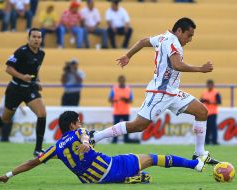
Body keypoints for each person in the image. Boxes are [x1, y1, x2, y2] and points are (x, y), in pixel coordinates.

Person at [90, 17, 219, 165]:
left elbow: (144, 41)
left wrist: (128, 55)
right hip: (159, 93)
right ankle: (97, 136)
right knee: (138, 125)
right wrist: (201, 69)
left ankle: (200, 154)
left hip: (172, 92)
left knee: (202, 111)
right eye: (189, 35)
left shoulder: (164, 37)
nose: (190, 40)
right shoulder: (173, 42)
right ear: (179, 31)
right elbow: (177, 65)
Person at [0, 111, 209, 184]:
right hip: (109, 168)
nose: (80, 124)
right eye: (78, 121)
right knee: (152, 158)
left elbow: (33, 162)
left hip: (90, 179)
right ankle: (195, 165)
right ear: (73, 124)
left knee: (130, 162)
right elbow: (85, 137)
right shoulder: (79, 132)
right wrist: (86, 144)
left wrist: (8, 174)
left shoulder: (56, 147)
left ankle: (130, 178)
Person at [0, 28, 46, 156]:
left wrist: (38, 81)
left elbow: (36, 69)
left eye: (39, 37)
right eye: (34, 37)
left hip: (30, 89)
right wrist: (23, 77)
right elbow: (8, 68)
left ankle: (38, 149)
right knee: (5, 118)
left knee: (42, 113)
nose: (36, 39)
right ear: (28, 38)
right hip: (15, 89)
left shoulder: (41, 53)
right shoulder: (21, 51)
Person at [109, 75, 139, 144]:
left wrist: (125, 99)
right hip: (117, 111)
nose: (122, 82)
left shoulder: (128, 89)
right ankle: (115, 140)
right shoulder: (114, 89)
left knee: (126, 127)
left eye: (123, 80)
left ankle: (126, 139)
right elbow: (110, 99)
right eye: (121, 80)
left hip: (125, 111)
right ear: (119, 81)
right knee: (115, 127)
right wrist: (115, 100)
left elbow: (131, 100)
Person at [200, 80, 221, 145]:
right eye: (208, 84)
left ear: (213, 85)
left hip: (213, 113)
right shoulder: (204, 93)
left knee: (213, 128)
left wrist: (210, 102)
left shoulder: (216, 93)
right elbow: (200, 101)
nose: (209, 86)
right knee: (206, 128)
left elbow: (219, 102)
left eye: (211, 85)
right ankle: (207, 141)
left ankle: (214, 141)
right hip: (206, 113)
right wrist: (202, 100)